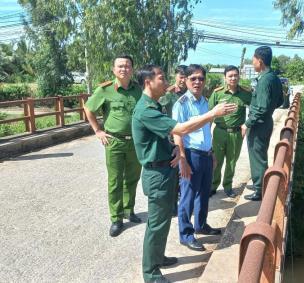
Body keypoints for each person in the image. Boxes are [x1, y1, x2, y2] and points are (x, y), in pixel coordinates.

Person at [132, 64, 236, 283]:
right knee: (157, 224)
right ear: (148, 81)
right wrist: (212, 114)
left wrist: (174, 152)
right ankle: (150, 273)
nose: (166, 80)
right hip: (157, 175)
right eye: (161, 77)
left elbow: (163, 137)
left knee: (162, 223)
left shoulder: (155, 105)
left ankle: (157, 257)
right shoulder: (145, 110)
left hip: (165, 169)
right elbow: (180, 129)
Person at [84, 54, 142, 237]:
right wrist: (97, 131)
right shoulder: (105, 90)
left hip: (134, 142)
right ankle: (116, 219)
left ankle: (128, 210)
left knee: (132, 178)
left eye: (127, 66)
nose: (124, 69)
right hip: (114, 142)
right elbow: (88, 108)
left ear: (132, 69)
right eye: (120, 66)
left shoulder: (138, 90)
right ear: (113, 69)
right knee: (115, 181)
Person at [172, 64, 224, 252]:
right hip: (191, 155)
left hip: (206, 155)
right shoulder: (181, 104)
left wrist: (212, 153)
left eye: (201, 78)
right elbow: (177, 134)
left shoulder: (205, 102)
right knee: (187, 195)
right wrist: (183, 159)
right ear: (185, 80)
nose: (197, 82)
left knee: (203, 193)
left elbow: (206, 130)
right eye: (193, 78)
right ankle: (186, 234)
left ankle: (200, 225)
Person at [242, 46, 284, 201]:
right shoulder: (273, 77)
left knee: (257, 156)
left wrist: (247, 123)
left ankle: (260, 189)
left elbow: (261, 107)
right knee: (260, 154)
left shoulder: (265, 79)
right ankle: (260, 182)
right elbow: (280, 100)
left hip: (258, 124)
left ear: (259, 60)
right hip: (266, 121)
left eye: (253, 60)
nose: (252, 63)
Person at [208, 65, 252, 198]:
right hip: (219, 132)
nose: (233, 78)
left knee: (231, 162)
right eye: (230, 76)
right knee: (216, 161)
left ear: (239, 76)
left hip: (236, 133)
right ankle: (213, 186)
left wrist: (246, 125)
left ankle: (227, 186)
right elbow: (209, 113)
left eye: (235, 75)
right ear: (225, 78)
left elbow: (255, 110)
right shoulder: (218, 93)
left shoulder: (246, 93)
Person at [158, 65, 188, 216]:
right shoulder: (168, 94)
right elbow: (159, 112)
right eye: (180, 76)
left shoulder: (190, 94)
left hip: (188, 138)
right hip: (172, 140)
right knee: (174, 173)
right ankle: (173, 204)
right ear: (176, 76)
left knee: (186, 170)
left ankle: (184, 201)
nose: (183, 80)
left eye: (185, 77)